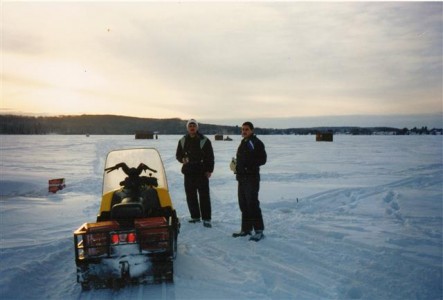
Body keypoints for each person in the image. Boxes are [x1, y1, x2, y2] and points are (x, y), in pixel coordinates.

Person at [231, 121, 267, 241]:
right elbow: (243, 158)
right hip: (241, 178)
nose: (244, 131)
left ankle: (259, 230)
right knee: (243, 204)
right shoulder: (244, 142)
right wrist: (236, 165)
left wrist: (247, 166)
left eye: (246, 129)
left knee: (252, 204)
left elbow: (262, 159)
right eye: (242, 129)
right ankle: (246, 229)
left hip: (251, 178)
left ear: (252, 130)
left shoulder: (255, 142)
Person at [176, 119, 214, 228]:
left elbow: (210, 157)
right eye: (190, 126)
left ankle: (206, 218)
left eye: (194, 126)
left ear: (197, 128)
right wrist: (182, 159)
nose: (192, 128)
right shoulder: (182, 140)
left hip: (201, 172)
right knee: (191, 195)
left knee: (204, 196)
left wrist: (209, 170)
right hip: (188, 172)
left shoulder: (204, 140)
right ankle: (195, 217)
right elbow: (178, 155)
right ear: (187, 128)